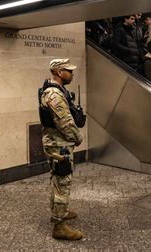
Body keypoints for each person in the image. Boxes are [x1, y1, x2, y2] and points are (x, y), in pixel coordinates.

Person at [39, 59, 85, 240]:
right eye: (69, 71)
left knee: (58, 180)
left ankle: (60, 212)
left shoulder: (58, 91)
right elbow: (65, 123)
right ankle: (59, 226)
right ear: (59, 72)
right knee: (62, 181)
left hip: (59, 143)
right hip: (59, 144)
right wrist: (78, 137)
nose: (72, 74)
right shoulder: (54, 95)